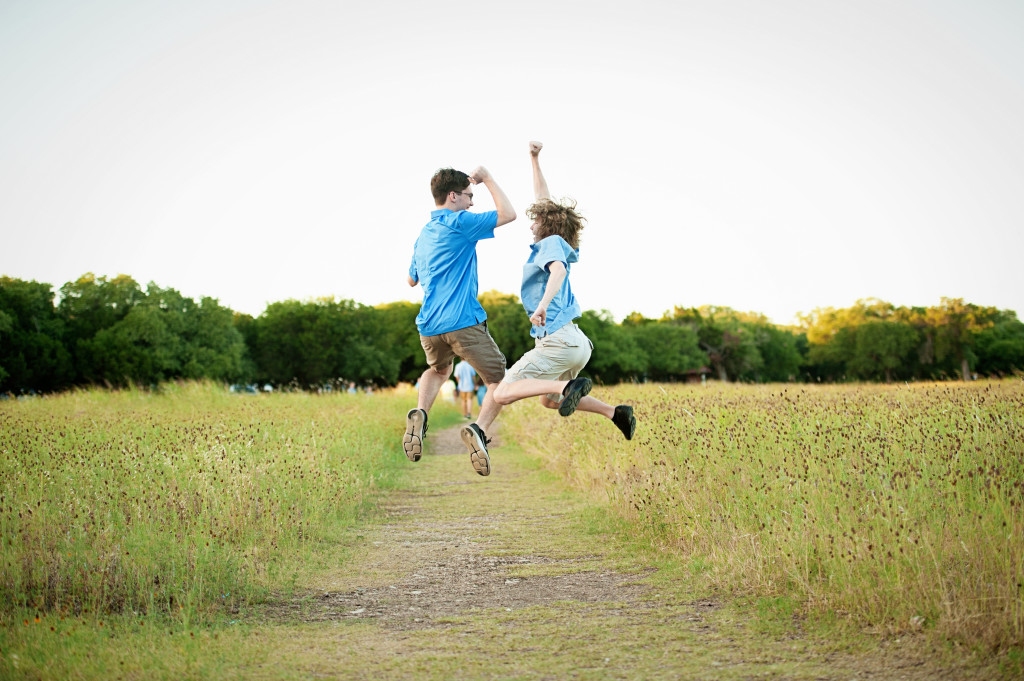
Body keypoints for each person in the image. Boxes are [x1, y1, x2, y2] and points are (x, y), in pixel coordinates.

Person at [490, 141, 636, 442]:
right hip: (577, 345)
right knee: (548, 401)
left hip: (558, 341)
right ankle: (615, 413)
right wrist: (534, 159)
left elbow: (558, 271)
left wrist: (542, 306)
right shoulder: (560, 241)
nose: (531, 226)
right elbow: (543, 199)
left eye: (536, 221)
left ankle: (566, 387)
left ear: (547, 224)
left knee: (502, 393)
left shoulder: (549, 244)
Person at [405, 164, 516, 476]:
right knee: (499, 382)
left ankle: (420, 413)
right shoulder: (460, 222)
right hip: (463, 322)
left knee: (439, 370)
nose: (471, 203)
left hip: (429, 326)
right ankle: (478, 431)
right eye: (469, 196)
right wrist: (489, 178)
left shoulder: (423, 234)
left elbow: (411, 280)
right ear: (452, 196)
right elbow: (508, 214)